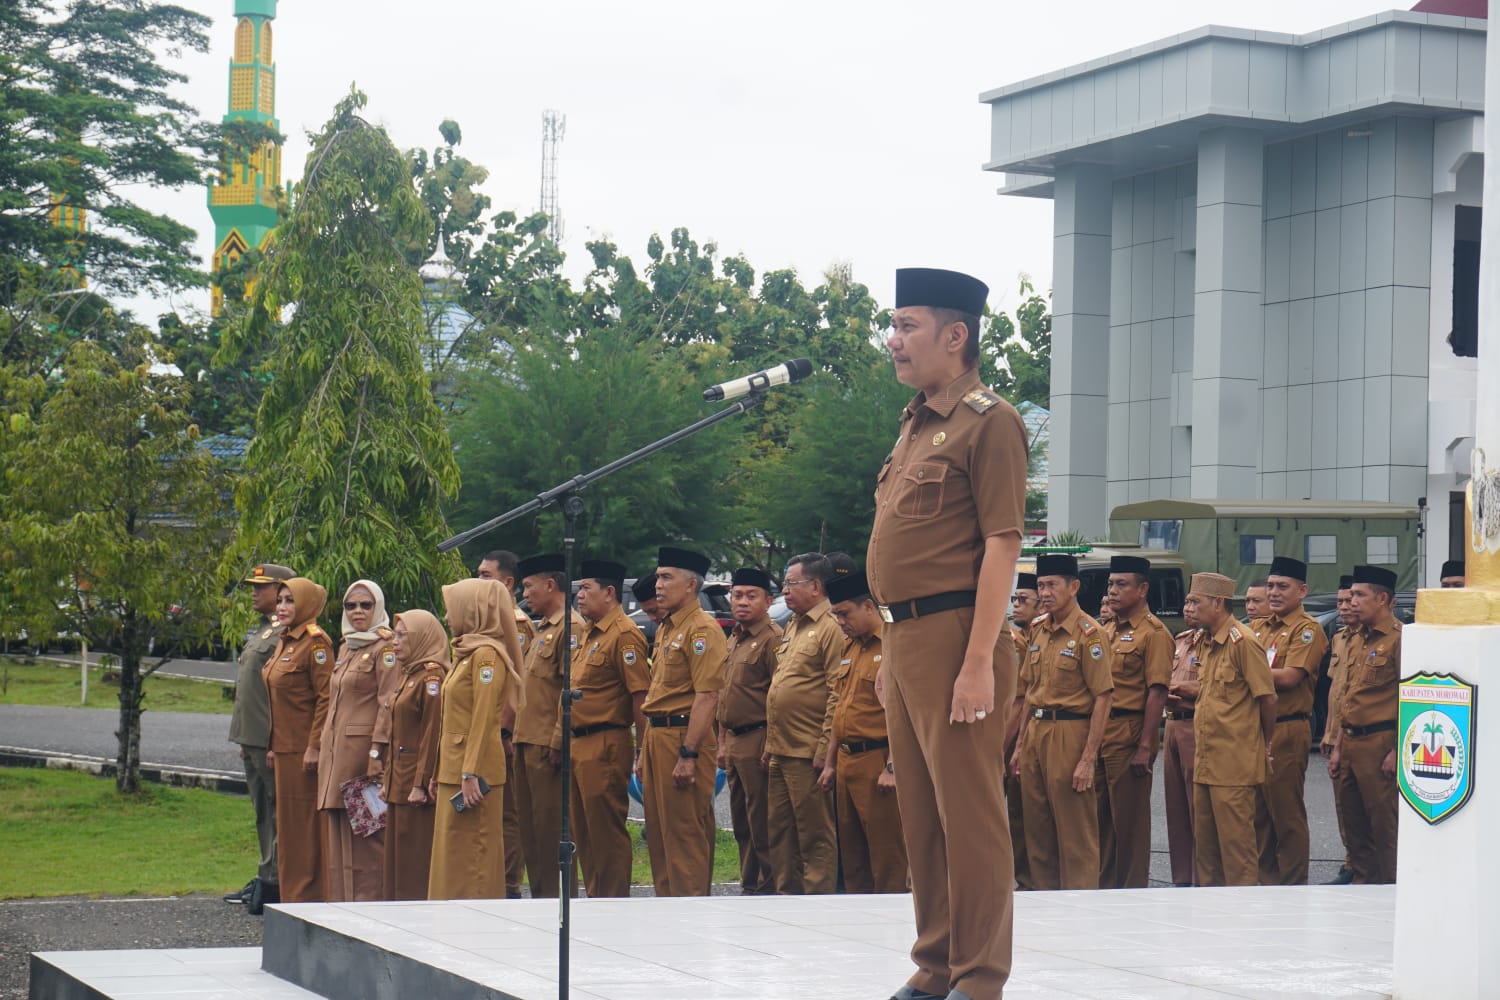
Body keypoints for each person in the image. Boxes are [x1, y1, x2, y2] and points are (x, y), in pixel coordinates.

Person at [866, 267, 1028, 1000]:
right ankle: (934, 967)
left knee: (971, 818)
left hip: (959, 633)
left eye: (907, 326)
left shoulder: (990, 420)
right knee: (922, 818)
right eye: (892, 325)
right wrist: (886, 650)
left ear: (955, 335)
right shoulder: (916, 422)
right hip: (903, 640)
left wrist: (979, 661)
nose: (892, 340)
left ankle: (979, 977)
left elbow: (1002, 542)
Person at [1010, 553, 1113, 891]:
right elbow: (1029, 692)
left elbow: (1103, 697)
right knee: (1036, 827)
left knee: (1074, 830)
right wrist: (1020, 745)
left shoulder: (1090, 634)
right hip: (1036, 731)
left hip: (1070, 731)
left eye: (1052, 585)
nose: (1045, 592)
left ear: (1074, 587)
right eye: (1041, 585)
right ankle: (1044, 902)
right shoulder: (1038, 630)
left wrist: (1087, 758)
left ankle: (1081, 905)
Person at [638, 546, 726, 897]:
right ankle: (667, 912)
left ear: (690, 585)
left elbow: (707, 696)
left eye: (666, 577)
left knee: (684, 835)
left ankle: (690, 916)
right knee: (659, 835)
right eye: (658, 576)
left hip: (683, 736)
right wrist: (644, 750)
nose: (658, 585)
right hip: (658, 735)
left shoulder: (702, 629)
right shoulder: (667, 627)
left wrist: (689, 754)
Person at [428, 577, 522, 900]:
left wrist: (470, 772)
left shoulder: (486, 656)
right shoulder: (467, 653)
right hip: (455, 768)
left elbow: (483, 720)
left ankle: (475, 925)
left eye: (452, 609)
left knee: (473, 857)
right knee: (452, 853)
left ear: (472, 610)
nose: (447, 618)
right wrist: (439, 771)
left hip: (474, 772)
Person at [1186, 573, 1276, 887]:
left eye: (1197, 601)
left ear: (1219, 603)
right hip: (1207, 762)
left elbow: (1267, 698)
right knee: (1207, 854)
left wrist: (1264, 745)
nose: (1191, 608)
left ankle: (1244, 918)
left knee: (1237, 854)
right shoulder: (1206, 641)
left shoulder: (1243, 642)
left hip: (1234, 765)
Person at [567, 560, 650, 897]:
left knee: (605, 830)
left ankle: (613, 902)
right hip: (578, 741)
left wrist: (642, 751)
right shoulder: (589, 631)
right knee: (583, 832)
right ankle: (595, 898)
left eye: (587, 588)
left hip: (605, 741)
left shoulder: (624, 634)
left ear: (610, 592)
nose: (580, 596)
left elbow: (639, 697)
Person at [763, 552, 842, 894]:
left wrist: (826, 748)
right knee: (780, 832)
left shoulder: (831, 627)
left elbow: (836, 692)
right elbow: (782, 683)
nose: (785, 592)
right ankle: (786, 896)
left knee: (814, 835)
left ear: (816, 586)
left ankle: (816, 902)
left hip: (808, 749)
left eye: (791, 584)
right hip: (781, 747)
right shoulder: (793, 624)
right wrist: (769, 744)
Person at [317, 580, 398, 902]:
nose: (358, 612)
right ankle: (341, 903)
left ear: (377, 607)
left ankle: (369, 905)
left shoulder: (386, 647)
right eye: (351, 606)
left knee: (368, 836)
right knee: (338, 833)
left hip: (363, 754)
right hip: (337, 754)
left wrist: (378, 751)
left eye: (366, 605)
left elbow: (388, 703)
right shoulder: (347, 646)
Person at [828, 568, 908, 893]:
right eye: (835, 615)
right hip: (847, 763)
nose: (840, 622)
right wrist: (831, 762)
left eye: (844, 613)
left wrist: (892, 766)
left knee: (887, 856)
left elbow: (903, 715)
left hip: (878, 762)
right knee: (853, 857)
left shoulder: (893, 645)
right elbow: (840, 707)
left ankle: (891, 924)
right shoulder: (850, 648)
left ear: (869, 607)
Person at [1251, 556, 1328, 885]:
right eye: (1270, 586)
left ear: (1302, 591)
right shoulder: (1258, 627)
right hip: (1256, 728)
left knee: (1285, 812)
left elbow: (1290, 677)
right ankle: (1266, 882)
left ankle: (1294, 884)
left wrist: (1247, 675)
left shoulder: (1306, 629)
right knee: (1259, 814)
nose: (1274, 593)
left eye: (1283, 586)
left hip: (1286, 726)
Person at [1097, 555, 1172, 890]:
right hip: (1101, 733)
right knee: (1100, 821)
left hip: (1129, 731)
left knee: (1128, 823)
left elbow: (1156, 693)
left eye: (1121, 584)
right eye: (1111, 584)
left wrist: (1146, 746)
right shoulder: (1107, 629)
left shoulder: (1154, 633)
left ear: (1142, 589)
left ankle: (1130, 892)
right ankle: (1104, 890)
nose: (1112, 591)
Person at [511, 553, 583, 899]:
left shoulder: (570, 628)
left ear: (551, 585)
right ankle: (540, 899)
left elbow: (568, 688)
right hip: (527, 741)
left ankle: (557, 903)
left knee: (552, 829)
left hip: (546, 745)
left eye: (529, 586)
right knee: (532, 832)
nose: (525, 594)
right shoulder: (543, 630)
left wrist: (558, 739)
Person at [226, 563, 295, 915]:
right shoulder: (265, 631)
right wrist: (246, 738)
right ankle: (267, 875)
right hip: (252, 738)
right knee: (263, 812)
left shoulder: (289, 632)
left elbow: (285, 697)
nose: (254, 592)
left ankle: (277, 883)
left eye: (261, 587)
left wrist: (272, 740)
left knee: (279, 811)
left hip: (271, 741)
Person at [1328, 564, 1402, 885]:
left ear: (1383, 598)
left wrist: (1398, 750)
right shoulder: (1356, 639)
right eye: (1351, 595)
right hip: (1351, 741)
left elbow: (1409, 699)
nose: (1352, 601)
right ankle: (1362, 885)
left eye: (1360, 595)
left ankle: (1388, 888)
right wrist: (1338, 748)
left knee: (1383, 826)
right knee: (1353, 824)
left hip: (1380, 742)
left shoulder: (1400, 639)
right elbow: (1348, 697)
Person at [263, 576, 334, 903]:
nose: (282, 607)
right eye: (280, 600)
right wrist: (273, 747)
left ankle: (307, 894)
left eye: (290, 600)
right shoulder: (286, 640)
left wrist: (315, 745)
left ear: (305, 603)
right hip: (284, 749)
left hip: (304, 752)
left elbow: (325, 698)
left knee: (304, 828)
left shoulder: (315, 643)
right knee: (289, 829)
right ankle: (291, 894)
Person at [717, 567, 781, 895]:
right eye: (737, 595)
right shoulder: (736, 636)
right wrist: (722, 741)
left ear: (768, 601)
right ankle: (749, 884)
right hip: (735, 738)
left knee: (762, 822)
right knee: (741, 822)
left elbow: (778, 696)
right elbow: (726, 694)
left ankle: (768, 887)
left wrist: (771, 744)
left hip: (759, 737)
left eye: (751, 596)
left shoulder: (772, 638)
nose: (742, 602)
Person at [376, 609, 447, 900]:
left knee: (413, 859)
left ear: (421, 639)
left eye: (403, 635)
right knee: (396, 856)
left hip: (414, 784)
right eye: (395, 634)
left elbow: (432, 734)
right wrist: (387, 781)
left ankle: (412, 916)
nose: (395, 641)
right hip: (399, 781)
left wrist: (421, 782)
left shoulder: (431, 677)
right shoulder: (410, 675)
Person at [477, 549, 532, 899]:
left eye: (485, 575)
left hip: (502, 733)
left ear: (507, 582)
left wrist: (504, 731)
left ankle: (509, 883)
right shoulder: (485, 621)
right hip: (482, 731)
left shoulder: (517, 625)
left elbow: (516, 685)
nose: (478, 580)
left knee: (508, 812)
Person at [1320, 575, 1359, 885]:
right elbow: (1335, 689)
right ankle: (1350, 861)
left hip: (1364, 733)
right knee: (1343, 804)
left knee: (1367, 805)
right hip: (1338, 734)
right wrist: (1328, 730)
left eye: (1350, 600)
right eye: (1340, 602)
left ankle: (1363, 863)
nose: (1345, 607)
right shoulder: (1340, 638)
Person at [1003, 573, 1040, 891]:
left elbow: (1021, 701)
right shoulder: (1016, 642)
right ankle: (1024, 878)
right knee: (1016, 813)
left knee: (1033, 813)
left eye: (1023, 599)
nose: (1016, 606)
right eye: (1013, 599)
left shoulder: (1033, 640)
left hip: (1026, 734)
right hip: (1010, 736)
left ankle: (1034, 878)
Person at [1163, 608, 1204, 887]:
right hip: (1172, 725)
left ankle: (1201, 877)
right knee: (1176, 807)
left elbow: (1222, 687)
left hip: (1195, 724)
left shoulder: (1217, 645)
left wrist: (1186, 689)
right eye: (1187, 602)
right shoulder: (1181, 640)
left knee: (1197, 806)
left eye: (1195, 602)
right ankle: (1181, 879)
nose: (1188, 609)